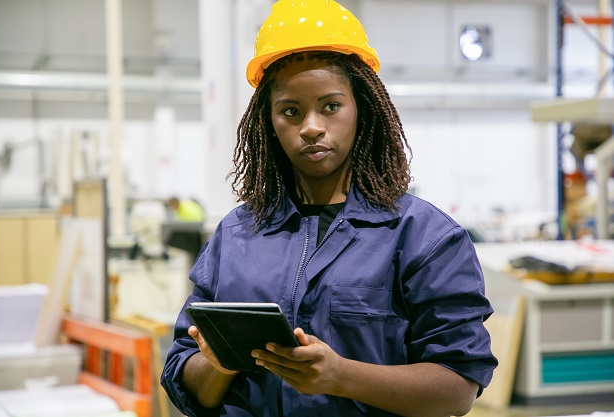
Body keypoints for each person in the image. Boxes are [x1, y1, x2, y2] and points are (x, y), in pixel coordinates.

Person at [161, 1, 497, 416]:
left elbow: (458, 387)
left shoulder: (424, 238)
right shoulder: (236, 236)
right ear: (269, 123)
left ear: (363, 110)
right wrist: (221, 363)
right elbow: (183, 376)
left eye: (331, 106)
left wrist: (341, 376)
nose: (311, 126)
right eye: (290, 111)